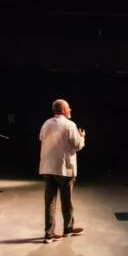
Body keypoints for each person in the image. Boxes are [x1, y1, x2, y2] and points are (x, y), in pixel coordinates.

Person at [39, 99, 86, 243]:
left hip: (48, 167)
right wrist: (82, 137)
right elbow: (77, 145)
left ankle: (49, 234)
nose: (70, 109)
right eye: (68, 107)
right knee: (67, 200)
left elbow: (41, 138)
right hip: (64, 168)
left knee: (50, 201)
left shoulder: (46, 123)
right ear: (64, 110)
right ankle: (68, 229)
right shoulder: (70, 124)